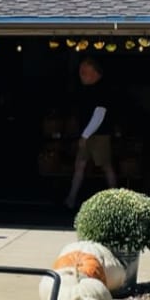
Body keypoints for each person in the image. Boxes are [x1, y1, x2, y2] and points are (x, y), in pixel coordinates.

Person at [64, 56, 117, 208]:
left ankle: (117, 200)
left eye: (84, 72)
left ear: (95, 72)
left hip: (99, 135)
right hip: (86, 135)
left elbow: (99, 114)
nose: (81, 75)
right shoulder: (85, 90)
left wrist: (85, 135)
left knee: (106, 165)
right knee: (79, 165)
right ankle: (71, 198)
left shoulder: (103, 89)